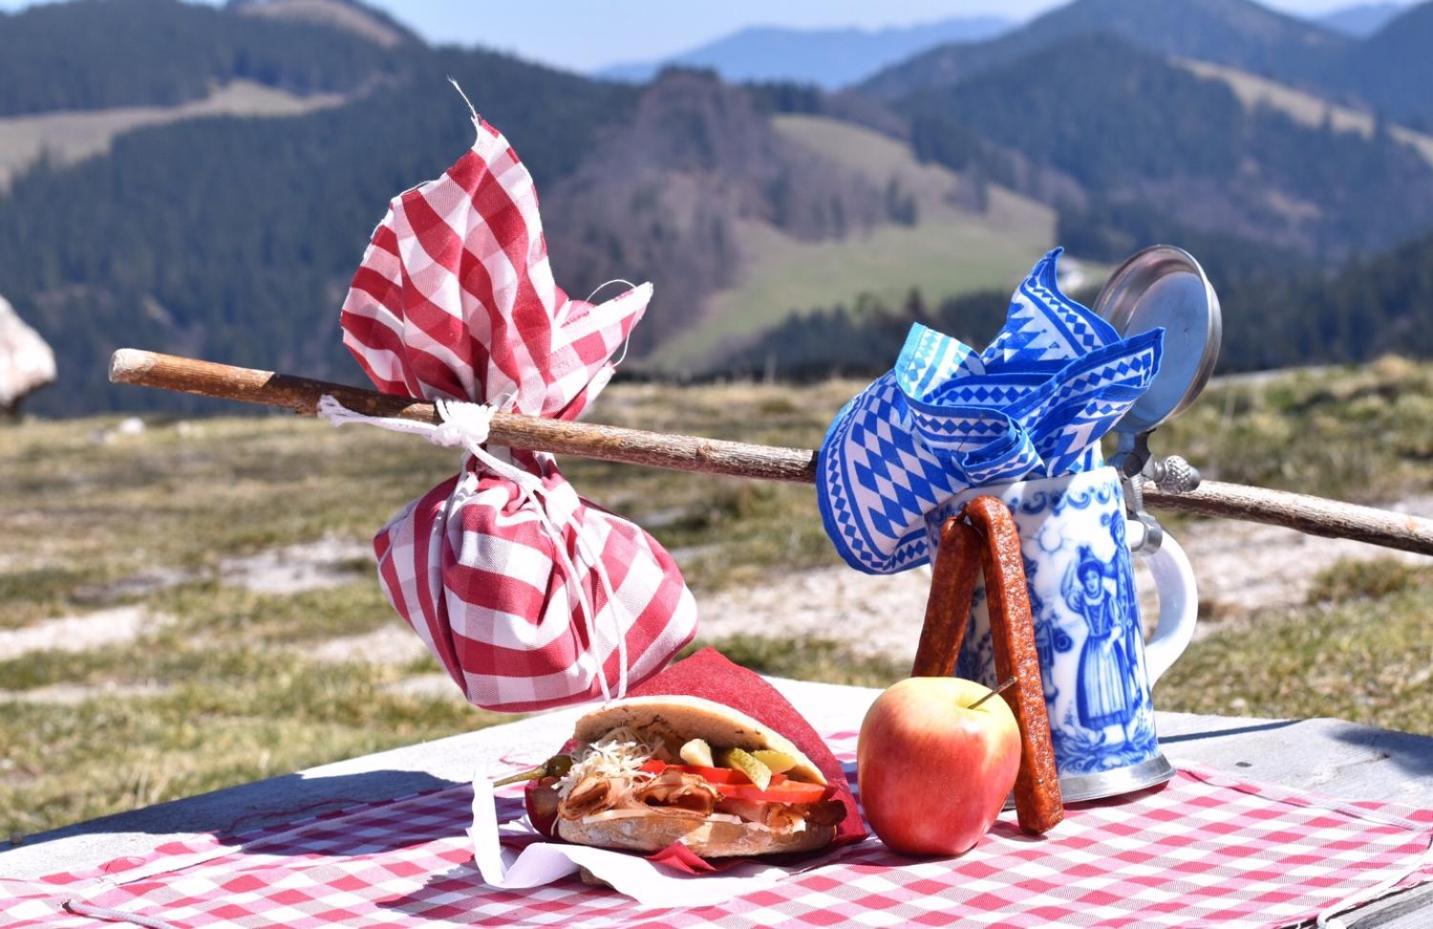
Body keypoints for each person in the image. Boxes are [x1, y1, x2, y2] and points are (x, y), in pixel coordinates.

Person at [1062, 545, 1136, 736]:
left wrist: (1109, 643)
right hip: (1092, 646)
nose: (1091, 582)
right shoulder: (1082, 600)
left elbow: (1119, 625)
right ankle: (1098, 731)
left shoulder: (1109, 599)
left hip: (1109, 645)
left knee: (1114, 686)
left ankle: (1124, 728)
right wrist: (1071, 564)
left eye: (1094, 577)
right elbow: (1066, 591)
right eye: (1087, 579)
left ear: (1099, 578)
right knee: (1093, 687)